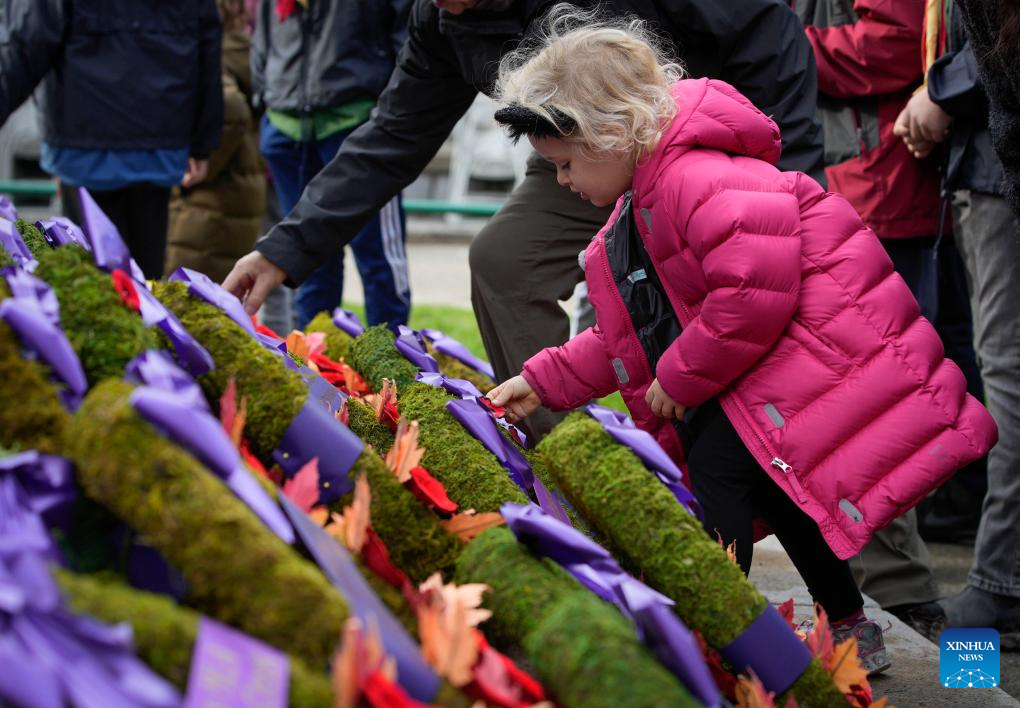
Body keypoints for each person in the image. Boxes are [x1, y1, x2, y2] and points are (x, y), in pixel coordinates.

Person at [486, 10, 997, 673]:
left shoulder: (694, 179)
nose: (561, 181)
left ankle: (713, 624)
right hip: (762, 371)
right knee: (782, 497)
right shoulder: (645, 199)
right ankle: (849, 625)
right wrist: (542, 379)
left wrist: (680, 374)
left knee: (718, 477)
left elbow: (752, 293)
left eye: (564, 163)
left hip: (804, 366)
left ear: (611, 132)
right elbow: (627, 335)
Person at [223, 0, 826, 437]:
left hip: (705, 142)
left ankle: (838, 531)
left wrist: (787, 181)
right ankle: (569, 458)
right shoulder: (443, 20)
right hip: (582, 154)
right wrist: (283, 250)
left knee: (744, 297)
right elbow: (394, 136)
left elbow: (766, 31)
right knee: (505, 261)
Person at [793, 0, 971, 643]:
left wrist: (784, 42)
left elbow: (897, 39)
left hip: (875, 191)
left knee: (884, 395)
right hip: (847, 186)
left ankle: (922, 598)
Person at [897, 0, 1020, 643]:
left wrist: (941, 91)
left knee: (1007, 378)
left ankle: (1002, 583)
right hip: (983, 162)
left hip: (996, 168)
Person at [0, 0, 223, 279]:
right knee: (144, 275)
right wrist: (203, 141)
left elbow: (28, 44)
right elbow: (208, 43)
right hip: (158, 136)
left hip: (85, 138)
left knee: (90, 276)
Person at [251, 0, 413, 331]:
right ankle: (312, 350)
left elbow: (408, 39)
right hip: (286, 126)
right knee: (306, 253)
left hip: (358, 125)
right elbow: (263, 36)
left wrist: (387, 110)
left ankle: (393, 348)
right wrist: (266, 96)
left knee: (377, 257)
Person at [165, 0, 266, 284]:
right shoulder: (243, 53)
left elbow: (230, 109)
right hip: (233, 197)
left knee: (182, 292)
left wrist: (200, 162)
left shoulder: (217, 55)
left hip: (208, 205)